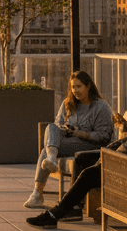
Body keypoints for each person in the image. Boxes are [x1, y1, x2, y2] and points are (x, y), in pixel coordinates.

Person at [26, 86, 127, 229]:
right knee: (81, 158)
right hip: (117, 158)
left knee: (88, 174)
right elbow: (126, 141)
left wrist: (109, 157)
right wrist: (108, 150)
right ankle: (75, 208)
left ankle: (53, 215)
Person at [24, 71, 113, 210]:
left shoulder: (100, 106)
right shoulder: (68, 103)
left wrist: (80, 133)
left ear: (88, 86)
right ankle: (51, 160)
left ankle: (37, 194)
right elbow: (57, 125)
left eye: (79, 86)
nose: (75, 90)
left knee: (45, 150)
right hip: (69, 141)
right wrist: (66, 130)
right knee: (51, 127)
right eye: (73, 87)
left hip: (90, 146)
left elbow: (104, 136)